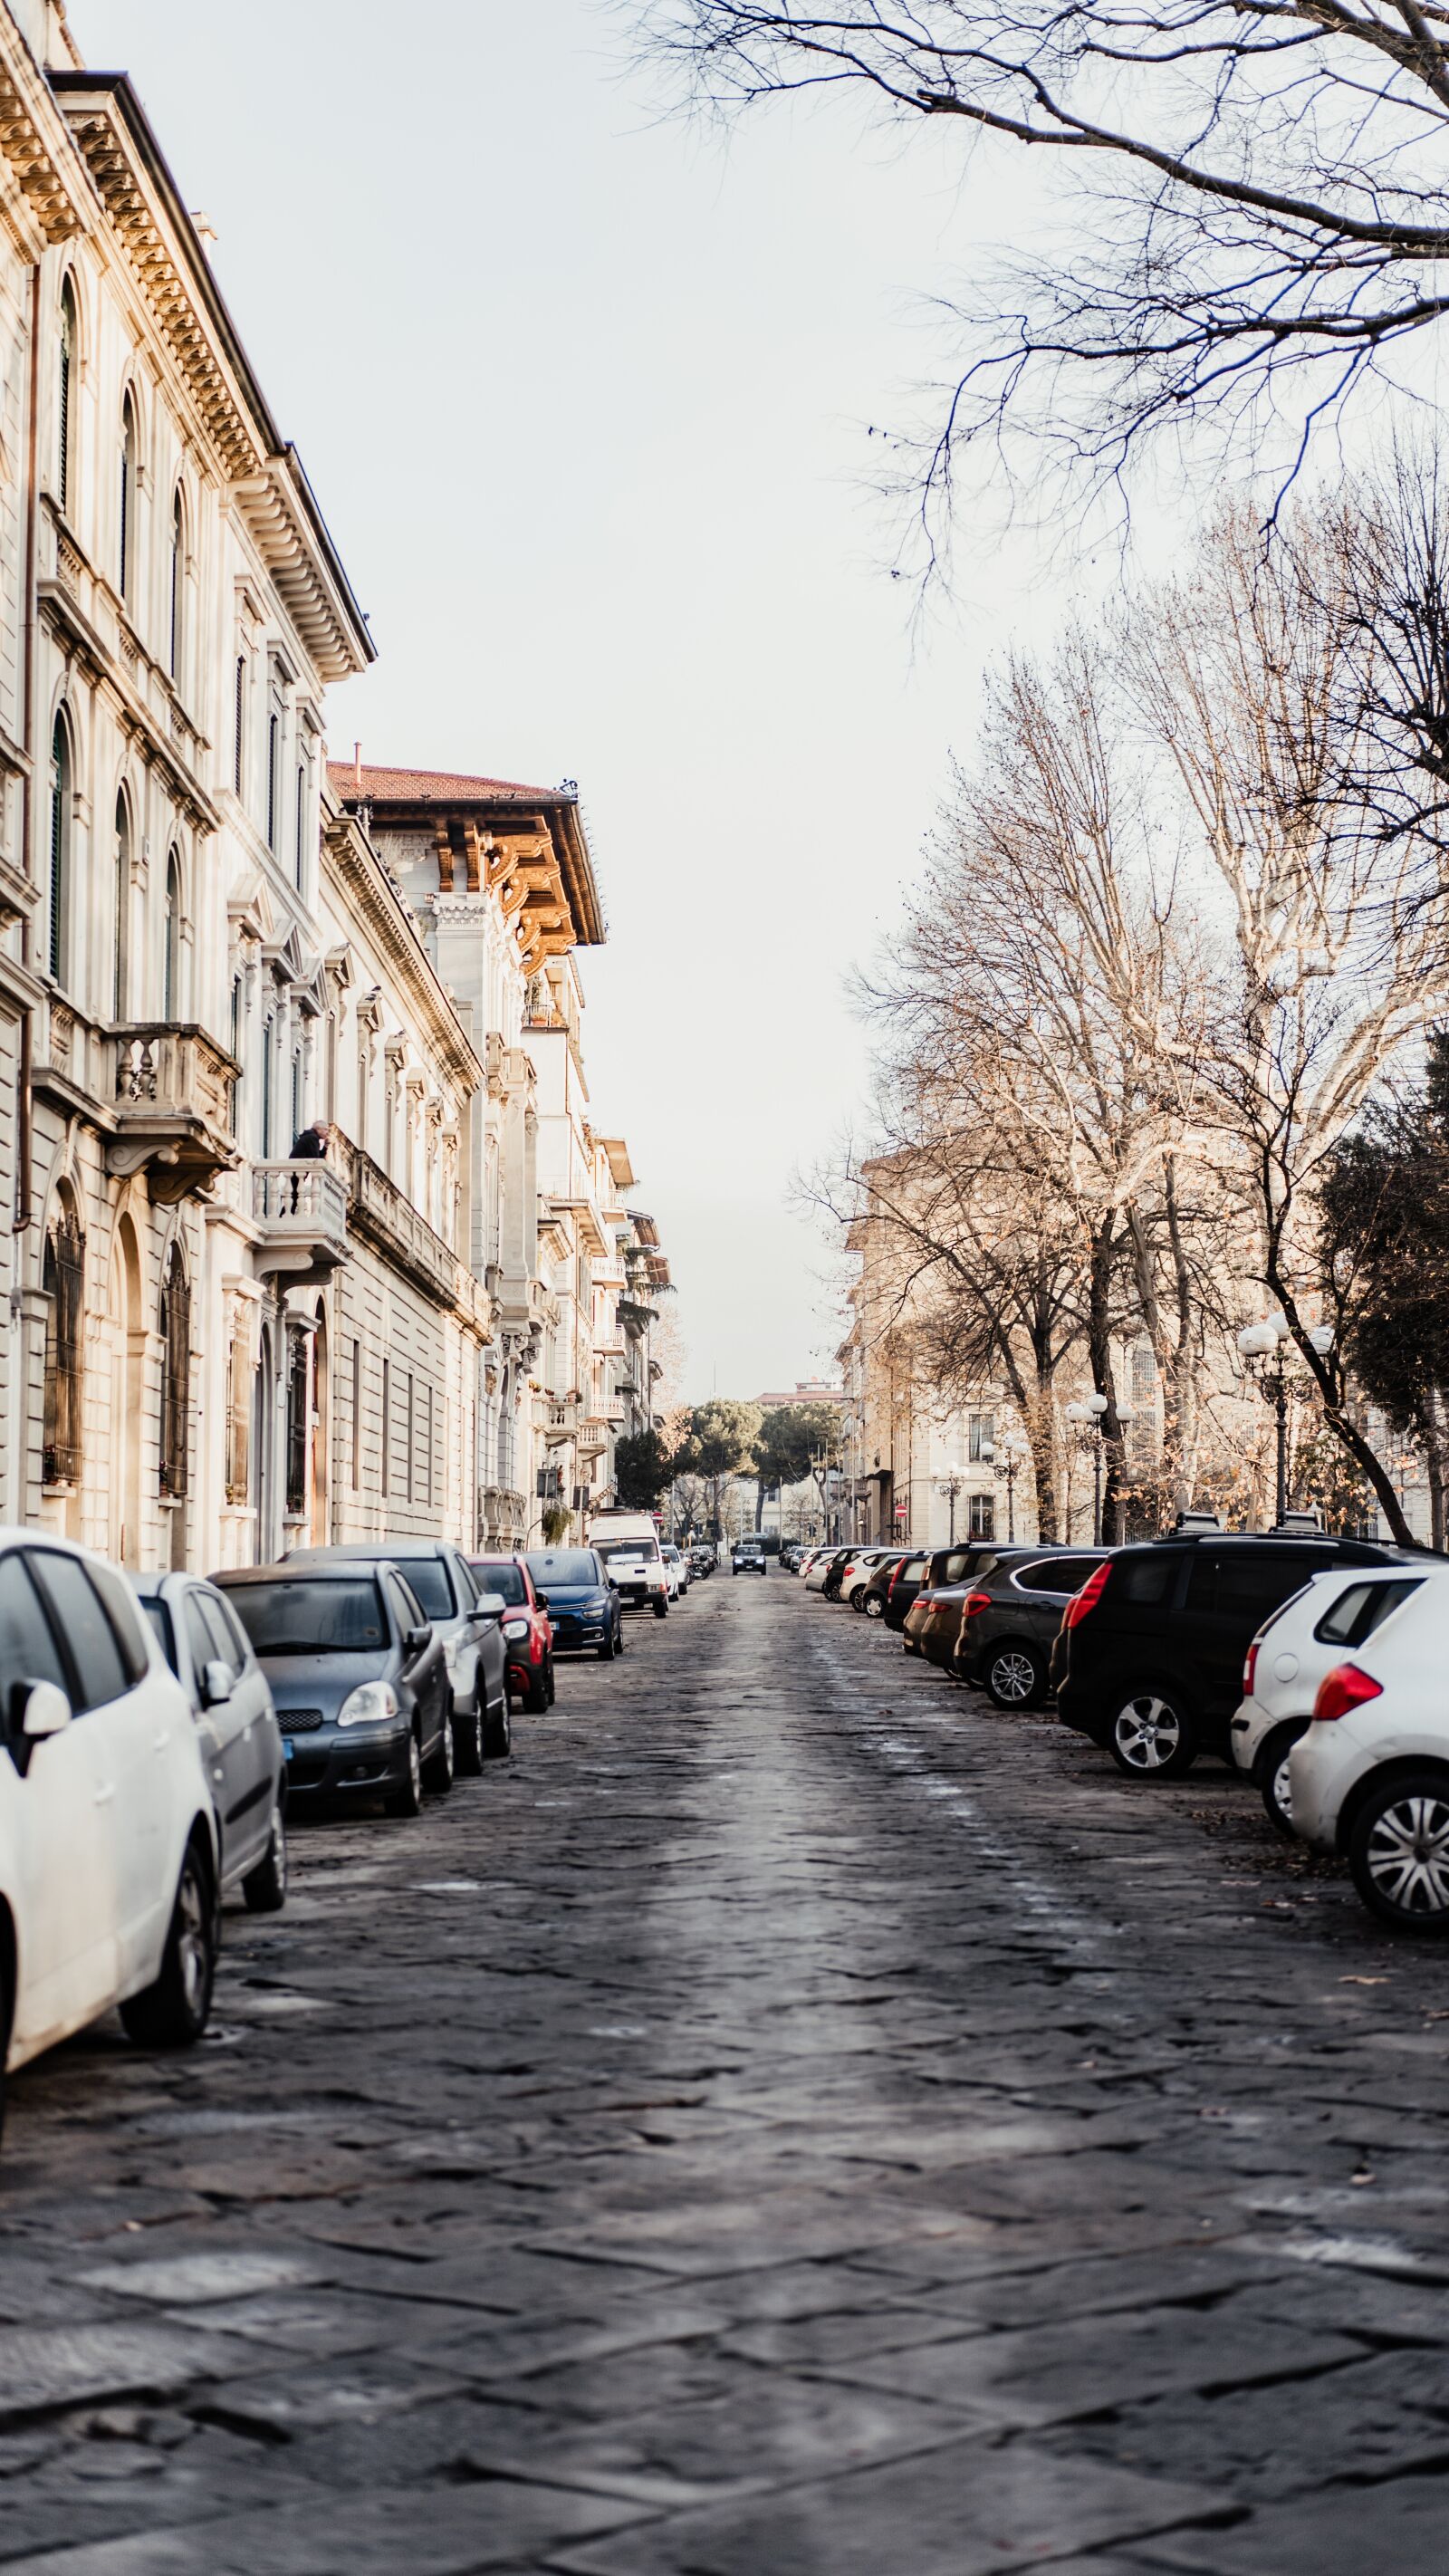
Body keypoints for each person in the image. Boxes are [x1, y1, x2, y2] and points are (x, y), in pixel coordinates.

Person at [288, 1118, 330, 1209]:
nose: (328, 1132)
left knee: (295, 1197)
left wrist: (325, 1146)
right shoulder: (312, 1138)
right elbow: (316, 1159)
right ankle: (282, 1217)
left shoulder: (311, 1137)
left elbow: (316, 1157)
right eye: (326, 1129)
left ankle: (283, 1215)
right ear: (318, 1129)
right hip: (297, 1171)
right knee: (295, 1197)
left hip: (297, 1171)